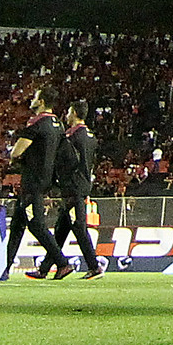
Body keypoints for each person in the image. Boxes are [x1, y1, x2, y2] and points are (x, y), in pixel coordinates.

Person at [5, 85, 67, 281]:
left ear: (40, 102)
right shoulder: (58, 124)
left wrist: (15, 156)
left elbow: (16, 152)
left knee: (36, 224)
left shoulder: (36, 124)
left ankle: (62, 263)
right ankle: (4, 267)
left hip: (33, 181)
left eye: (35, 97)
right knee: (17, 224)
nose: (32, 99)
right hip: (46, 179)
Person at [42, 99, 103, 279]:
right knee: (62, 229)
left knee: (79, 227)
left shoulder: (71, 136)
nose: (67, 115)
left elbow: (64, 161)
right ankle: (46, 267)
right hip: (81, 185)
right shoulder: (90, 136)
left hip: (73, 187)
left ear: (75, 113)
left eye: (69, 112)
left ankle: (94, 266)